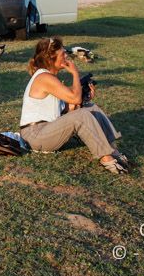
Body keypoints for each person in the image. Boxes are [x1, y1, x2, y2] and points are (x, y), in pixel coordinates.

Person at [19, 37, 130, 174]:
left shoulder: (50, 78)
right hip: (35, 135)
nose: (66, 56)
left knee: (90, 107)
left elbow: (70, 107)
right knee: (81, 114)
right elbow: (75, 99)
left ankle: (113, 150)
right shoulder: (44, 78)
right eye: (62, 54)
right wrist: (75, 73)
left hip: (46, 130)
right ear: (50, 59)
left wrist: (84, 98)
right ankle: (106, 158)